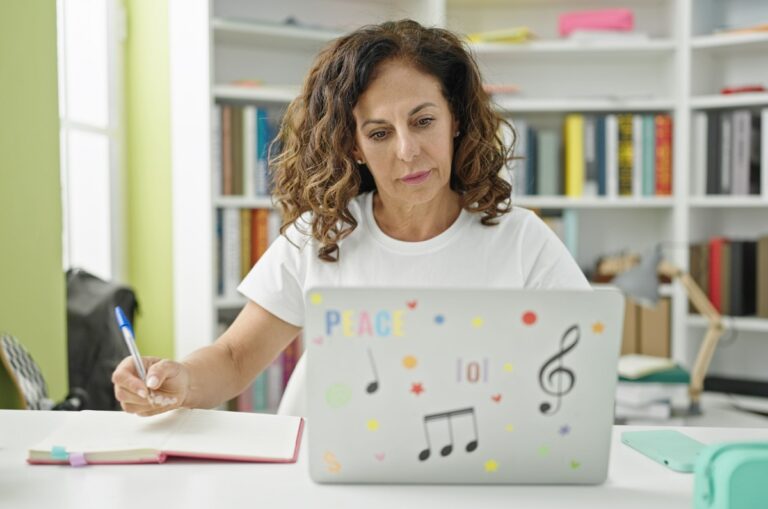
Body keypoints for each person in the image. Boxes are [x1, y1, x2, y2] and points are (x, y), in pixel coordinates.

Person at [112, 19, 589, 418]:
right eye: (379, 133)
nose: (408, 151)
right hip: (322, 475)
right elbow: (235, 359)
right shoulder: (320, 236)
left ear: (456, 119)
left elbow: (582, 365)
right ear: (354, 146)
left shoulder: (523, 239)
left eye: (423, 121)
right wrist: (182, 379)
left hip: (470, 465)